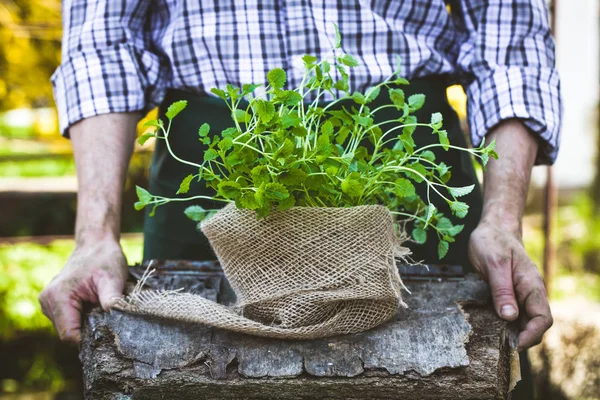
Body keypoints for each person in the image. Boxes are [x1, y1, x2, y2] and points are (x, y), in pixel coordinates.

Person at [40, 0, 560, 396]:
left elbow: (509, 40)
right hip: (214, 171)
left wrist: (501, 221)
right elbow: (102, 45)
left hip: (407, 163)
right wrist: (94, 236)